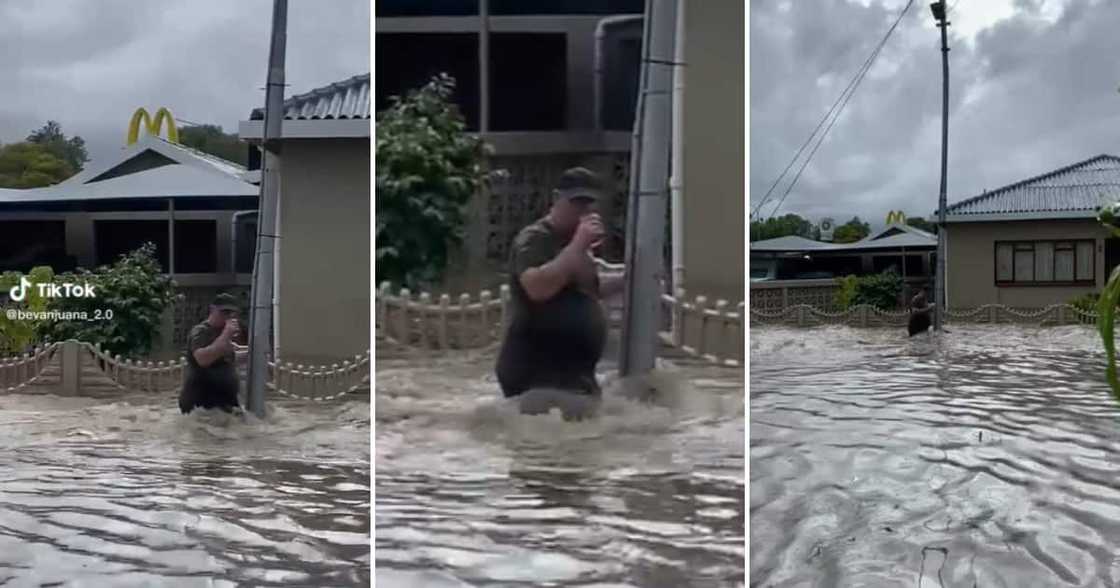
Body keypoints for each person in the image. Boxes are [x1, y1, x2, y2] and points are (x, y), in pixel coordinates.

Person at [495, 167, 626, 406]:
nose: (583, 212)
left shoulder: (576, 245)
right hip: (537, 371)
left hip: (572, 374)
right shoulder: (535, 238)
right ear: (556, 199)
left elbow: (588, 290)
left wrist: (628, 280)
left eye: (589, 205)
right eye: (576, 203)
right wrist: (578, 245)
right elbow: (537, 288)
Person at [179, 293, 246, 414]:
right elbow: (203, 359)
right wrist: (226, 334)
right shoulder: (201, 331)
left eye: (231, 313)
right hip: (202, 403)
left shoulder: (223, 334)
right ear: (212, 309)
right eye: (224, 312)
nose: (228, 317)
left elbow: (228, 358)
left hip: (223, 403)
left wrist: (254, 353)